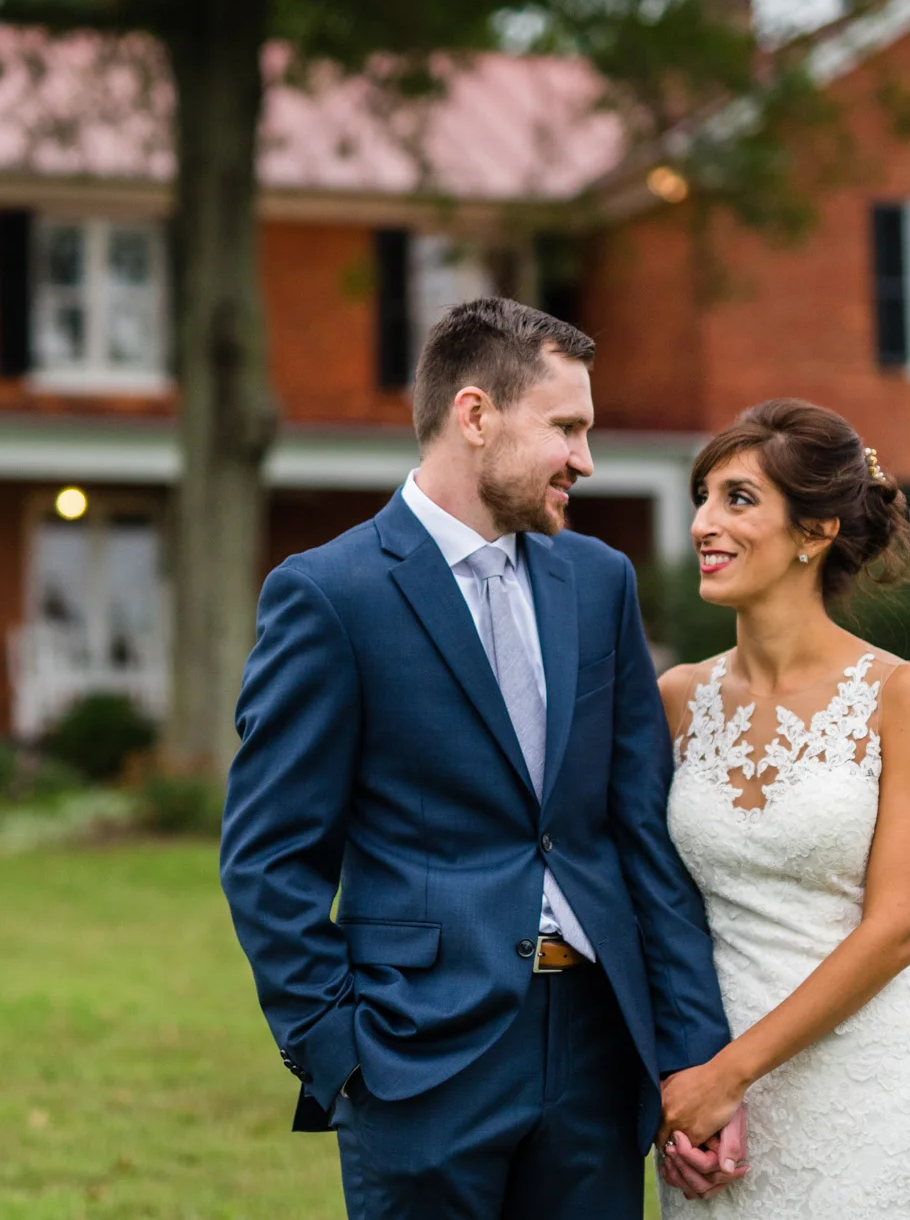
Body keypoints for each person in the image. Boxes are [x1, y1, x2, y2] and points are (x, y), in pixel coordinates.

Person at [219, 298, 743, 1220]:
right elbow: (268, 856)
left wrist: (694, 1057)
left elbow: (642, 838)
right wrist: (340, 1051)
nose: (585, 459)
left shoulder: (598, 580)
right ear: (475, 416)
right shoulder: (329, 594)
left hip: (595, 1046)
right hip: (417, 1057)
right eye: (567, 428)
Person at [653, 398, 910, 1217]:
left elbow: (897, 928)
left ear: (816, 530)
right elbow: (652, 905)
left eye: (737, 498)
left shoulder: (902, 696)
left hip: (868, 1093)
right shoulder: (677, 699)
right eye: (703, 496)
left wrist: (730, 1073)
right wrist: (685, 1082)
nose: (703, 522)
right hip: (708, 1108)